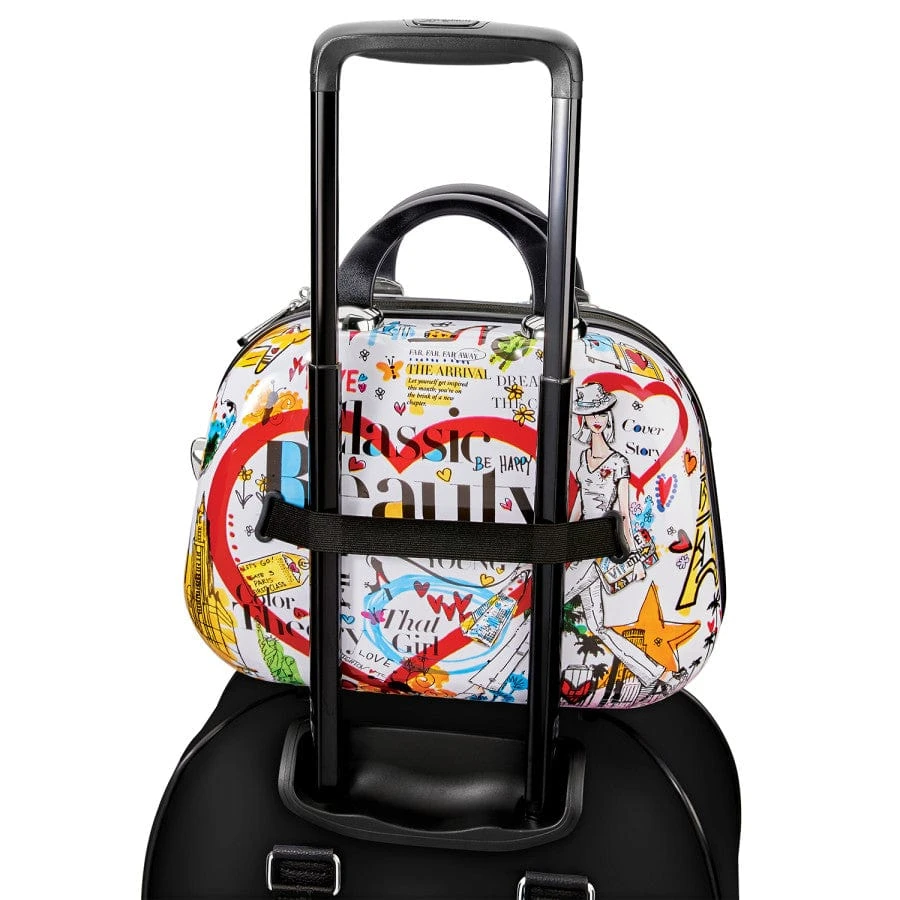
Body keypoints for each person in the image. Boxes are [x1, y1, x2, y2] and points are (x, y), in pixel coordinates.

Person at [566, 382, 665, 689]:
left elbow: (624, 512)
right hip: (580, 546)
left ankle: (491, 677)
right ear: (583, 418)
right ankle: (651, 671)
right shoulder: (582, 459)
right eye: (591, 414)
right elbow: (578, 506)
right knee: (597, 625)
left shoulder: (619, 462)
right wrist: (562, 543)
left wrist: (633, 556)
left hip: (602, 548)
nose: (597, 419)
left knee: (540, 607)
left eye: (602, 413)